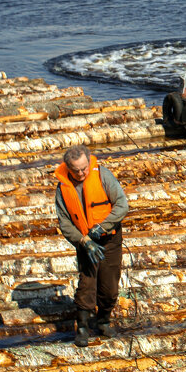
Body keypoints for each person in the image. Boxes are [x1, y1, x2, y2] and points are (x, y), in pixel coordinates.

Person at [54, 145, 129, 347]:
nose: (80, 173)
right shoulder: (62, 189)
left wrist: (101, 228)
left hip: (109, 239)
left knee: (110, 287)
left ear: (89, 162)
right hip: (85, 242)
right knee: (87, 285)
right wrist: (84, 241)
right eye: (75, 170)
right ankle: (82, 327)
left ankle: (103, 321)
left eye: (84, 168)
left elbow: (122, 205)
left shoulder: (104, 176)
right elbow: (65, 223)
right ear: (67, 168)